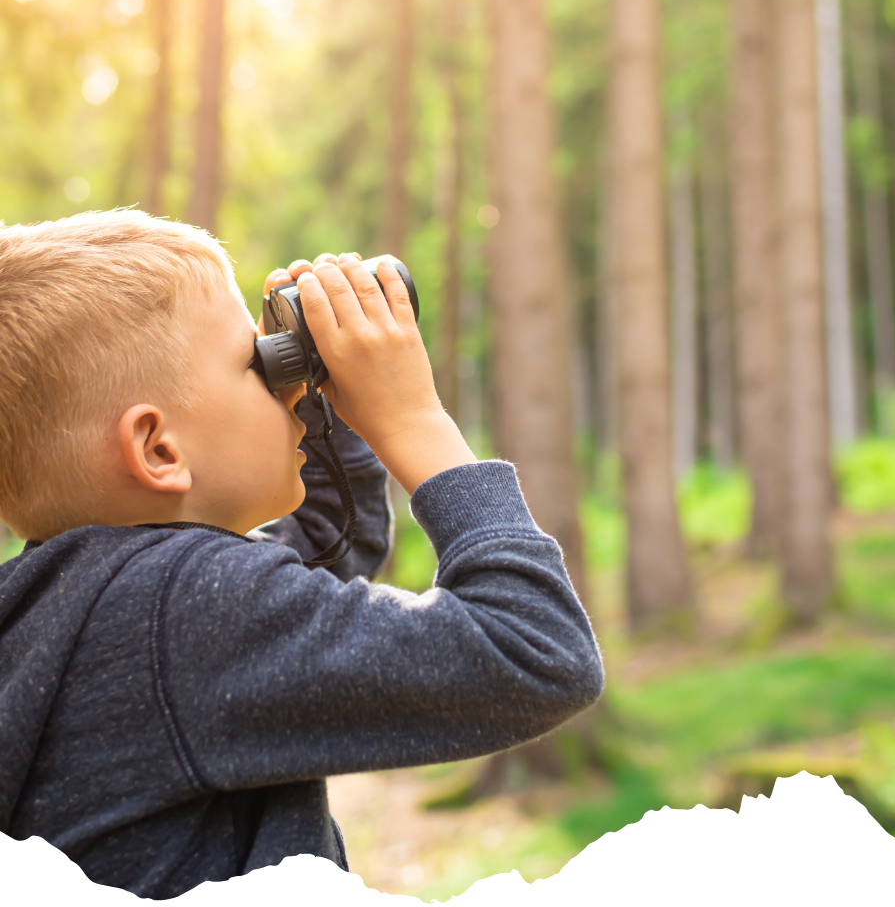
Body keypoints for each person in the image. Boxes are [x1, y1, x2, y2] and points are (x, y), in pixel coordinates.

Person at [0, 210, 603, 899]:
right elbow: (534, 651)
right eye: (251, 365)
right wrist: (412, 420)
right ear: (159, 449)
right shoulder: (185, 611)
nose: (279, 381)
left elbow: (324, 544)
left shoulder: (72, 610)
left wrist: (322, 399)